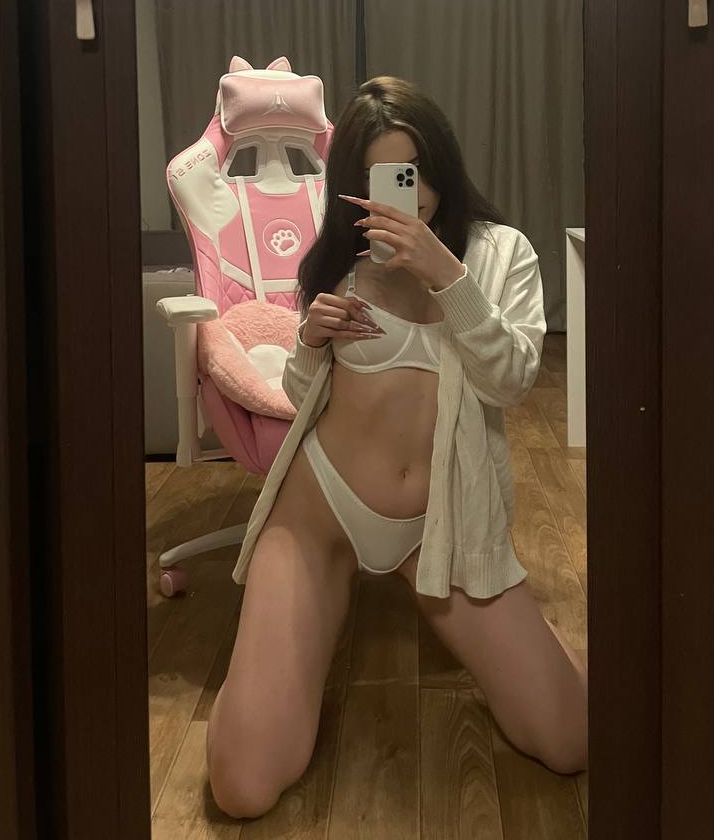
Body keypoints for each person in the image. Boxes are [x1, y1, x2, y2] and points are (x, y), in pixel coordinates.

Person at [207, 77, 587, 819]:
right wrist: (310, 340)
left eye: (413, 175)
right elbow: (303, 390)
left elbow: (512, 380)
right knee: (244, 786)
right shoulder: (341, 259)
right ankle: (263, 665)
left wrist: (444, 274)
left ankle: (537, 643)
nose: (403, 198)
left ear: (440, 166)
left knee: (569, 740)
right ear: (351, 186)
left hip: (442, 524)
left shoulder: (498, 252)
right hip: (322, 511)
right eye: (379, 179)